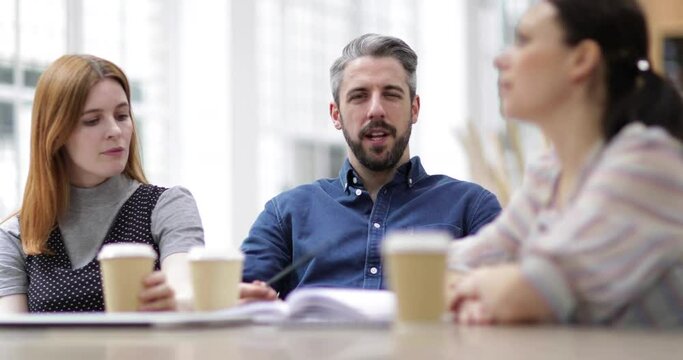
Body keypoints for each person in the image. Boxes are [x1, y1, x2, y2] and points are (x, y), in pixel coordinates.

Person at [448, 0, 683, 326]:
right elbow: (473, 258)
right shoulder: (550, 172)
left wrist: (490, 292)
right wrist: (480, 293)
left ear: (582, 59)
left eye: (524, 41)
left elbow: (528, 290)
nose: (501, 59)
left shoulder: (645, 162)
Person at [240, 33, 502, 299]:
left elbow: (507, 300)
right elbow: (235, 297)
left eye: (390, 94)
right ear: (336, 114)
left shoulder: (472, 208)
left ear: (414, 108)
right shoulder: (286, 214)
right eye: (359, 96)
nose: (376, 110)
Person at [0, 55, 204, 312]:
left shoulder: (169, 206)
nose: (115, 131)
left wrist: (191, 299)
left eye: (122, 115)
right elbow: (11, 344)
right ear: (55, 133)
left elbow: (183, 291)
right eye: (92, 120)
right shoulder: (16, 236)